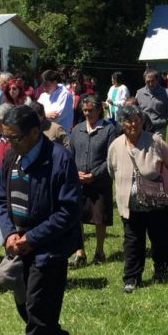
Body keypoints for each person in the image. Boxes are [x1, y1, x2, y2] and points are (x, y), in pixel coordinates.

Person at [0, 105, 81, 335]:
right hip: (18, 244)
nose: (10, 143)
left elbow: (69, 211)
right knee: (31, 310)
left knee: (38, 313)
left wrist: (32, 237)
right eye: (6, 137)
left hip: (50, 248)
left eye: (15, 137)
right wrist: (9, 234)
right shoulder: (10, 156)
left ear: (35, 132)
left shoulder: (59, 159)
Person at [108, 104, 168, 293]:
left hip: (158, 203)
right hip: (130, 205)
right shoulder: (115, 146)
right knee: (132, 242)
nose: (133, 124)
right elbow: (111, 171)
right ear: (122, 123)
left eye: (137, 120)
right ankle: (132, 277)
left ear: (142, 121)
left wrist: (159, 183)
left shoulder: (155, 141)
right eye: (129, 121)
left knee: (161, 239)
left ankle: (162, 271)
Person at [68, 94, 116, 267]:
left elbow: (111, 158)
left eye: (91, 110)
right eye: (85, 110)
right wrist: (76, 173)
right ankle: (79, 252)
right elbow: (70, 155)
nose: (87, 114)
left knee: (99, 217)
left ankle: (99, 251)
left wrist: (94, 175)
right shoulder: (77, 129)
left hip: (100, 181)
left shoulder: (108, 129)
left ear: (99, 110)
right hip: (79, 182)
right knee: (77, 217)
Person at [135, 68, 168, 141]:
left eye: (153, 81)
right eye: (148, 81)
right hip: (143, 130)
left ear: (157, 80)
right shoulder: (139, 93)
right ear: (144, 80)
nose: (151, 84)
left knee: (157, 152)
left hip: (159, 130)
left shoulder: (166, 93)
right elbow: (135, 113)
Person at [37, 69, 74, 134]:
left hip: (61, 137)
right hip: (44, 134)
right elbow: (35, 113)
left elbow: (56, 118)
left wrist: (41, 115)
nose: (44, 88)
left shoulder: (65, 95)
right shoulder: (43, 96)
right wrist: (46, 115)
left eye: (47, 85)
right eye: (43, 85)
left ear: (55, 82)